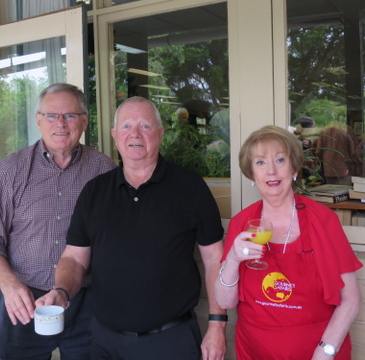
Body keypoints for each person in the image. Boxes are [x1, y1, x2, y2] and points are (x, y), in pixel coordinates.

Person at [37, 96, 227, 360]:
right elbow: (73, 258)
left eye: (145, 126)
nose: (135, 134)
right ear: (115, 135)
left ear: (160, 134)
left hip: (172, 342)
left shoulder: (190, 187)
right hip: (105, 343)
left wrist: (217, 326)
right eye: (126, 126)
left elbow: (216, 260)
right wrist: (61, 291)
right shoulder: (94, 192)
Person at [0, 83, 117, 360]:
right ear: (38, 121)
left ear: (84, 121)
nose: (60, 123)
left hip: (86, 301)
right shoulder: (10, 171)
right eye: (51, 115)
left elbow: (117, 235)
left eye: (70, 115)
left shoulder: (104, 170)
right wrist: (9, 285)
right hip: (24, 300)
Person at [214, 125, 362, 360]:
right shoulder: (242, 223)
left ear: (294, 168)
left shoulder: (323, 220)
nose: (271, 171)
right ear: (252, 173)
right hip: (254, 352)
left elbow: (350, 299)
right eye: (260, 162)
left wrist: (325, 352)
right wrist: (232, 259)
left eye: (280, 160)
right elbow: (225, 301)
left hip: (317, 353)